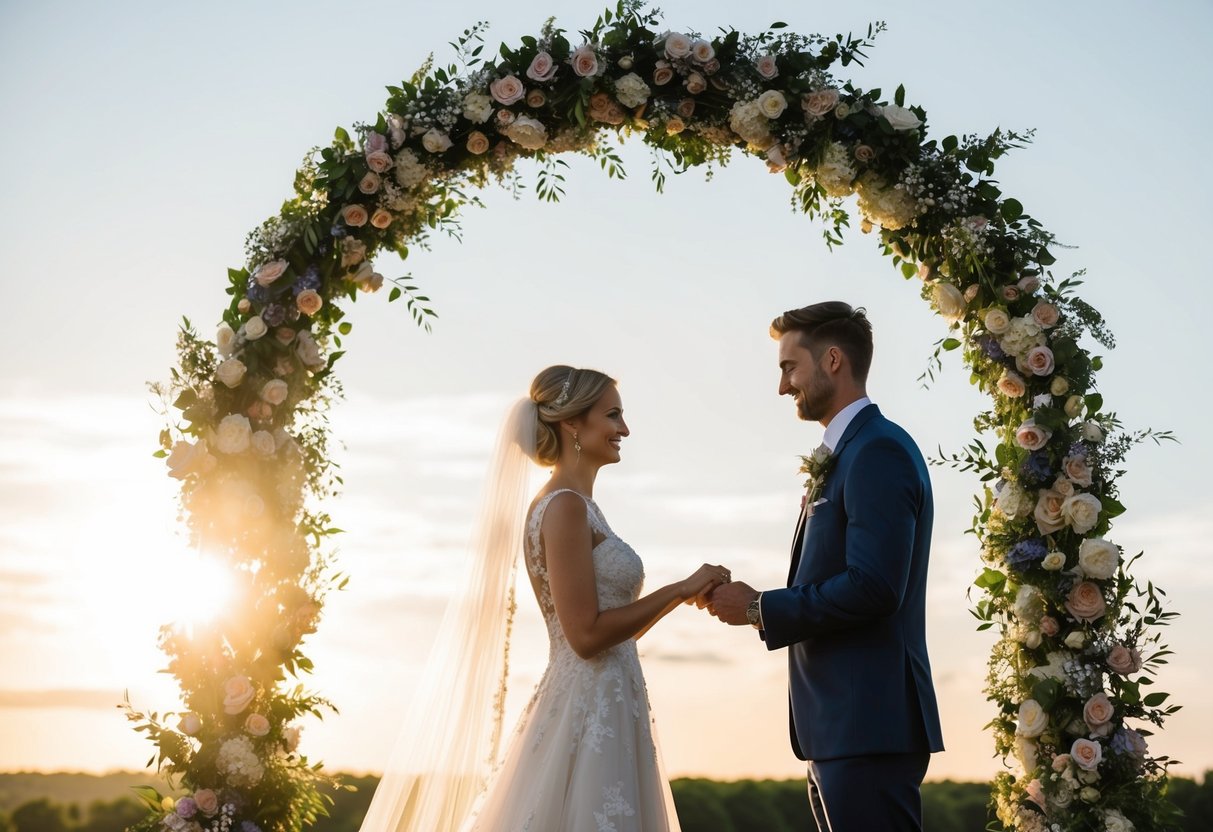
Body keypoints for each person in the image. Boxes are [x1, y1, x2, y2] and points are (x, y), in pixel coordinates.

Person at [359, 365, 729, 832]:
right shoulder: (564, 506)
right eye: (613, 415)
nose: (624, 429)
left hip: (611, 699)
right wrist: (677, 588)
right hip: (588, 704)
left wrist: (680, 597)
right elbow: (586, 636)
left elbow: (611, 627)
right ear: (572, 423)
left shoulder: (579, 505)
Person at [705, 302, 945, 832]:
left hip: (867, 725)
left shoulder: (877, 452)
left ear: (832, 360)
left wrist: (757, 607)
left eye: (789, 367)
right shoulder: (852, 451)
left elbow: (875, 586)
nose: (783, 386)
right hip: (841, 728)